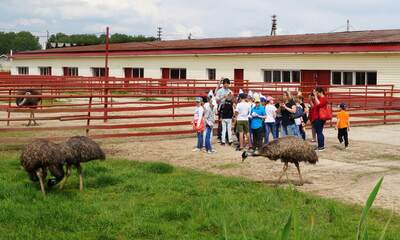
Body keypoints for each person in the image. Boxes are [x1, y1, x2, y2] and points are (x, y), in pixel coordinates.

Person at [215, 78, 232, 143]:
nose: (227, 85)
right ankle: (220, 137)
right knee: (221, 123)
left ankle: (227, 137)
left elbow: (231, 99)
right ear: (223, 84)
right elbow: (217, 100)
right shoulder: (220, 91)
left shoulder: (230, 91)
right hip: (222, 108)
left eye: (228, 84)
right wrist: (223, 97)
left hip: (228, 108)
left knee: (228, 123)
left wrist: (230, 97)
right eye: (226, 84)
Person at [312, 87, 328, 151]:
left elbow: (319, 104)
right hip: (317, 117)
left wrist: (315, 96)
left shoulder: (323, 98)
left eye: (317, 92)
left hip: (319, 117)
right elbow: (315, 106)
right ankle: (320, 145)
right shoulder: (319, 98)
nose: (316, 94)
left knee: (319, 132)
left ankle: (321, 146)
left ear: (320, 92)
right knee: (319, 132)